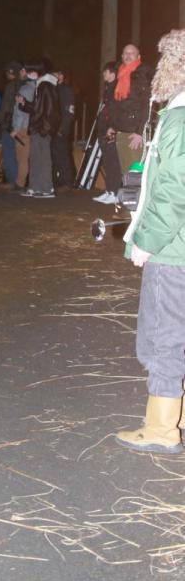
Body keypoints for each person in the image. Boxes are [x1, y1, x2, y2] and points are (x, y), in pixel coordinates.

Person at [116, 29, 185, 455]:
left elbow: (175, 188)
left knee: (163, 335)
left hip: (173, 248)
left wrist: (146, 239)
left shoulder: (180, 120)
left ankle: (161, 428)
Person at [107, 43, 153, 181]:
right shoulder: (120, 74)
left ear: (138, 56)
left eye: (131, 53)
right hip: (121, 130)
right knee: (125, 171)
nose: (128, 55)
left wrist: (140, 132)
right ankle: (129, 200)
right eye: (125, 53)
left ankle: (138, 201)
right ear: (121, 56)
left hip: (135, 132)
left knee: (136, 171)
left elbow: (148, 105)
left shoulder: (143, 73)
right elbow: (116, 104)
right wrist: (112, 125)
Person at [21, 62, 60, 198]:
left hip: (42, 127)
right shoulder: (42, 84)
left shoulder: (46, 86)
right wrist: (24, 104)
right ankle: (35, 187)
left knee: (42, 158)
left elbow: (48, 110)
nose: (28, 74)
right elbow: (39, 108)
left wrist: (44, 128)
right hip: (39, 127)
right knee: (36, 158)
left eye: (31, 71)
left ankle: (46, 188)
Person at [93, 60, 123, 204]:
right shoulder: (108, 88)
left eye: (106, 71)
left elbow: (116, 110)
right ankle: (109, 190)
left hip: (110, 129)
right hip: (104, 128)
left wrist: (112, 126)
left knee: (112, 160)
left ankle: (115, 192)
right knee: (107, 159)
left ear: (112, 73)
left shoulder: (116, 88)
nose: (103, 73)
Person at [0, 61, 22, 186]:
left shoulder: (11, 86)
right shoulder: (25, 84)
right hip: (21, 123)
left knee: (9, 151)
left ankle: (12, 179)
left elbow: (6, 106)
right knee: (19, 153)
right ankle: (19, 179)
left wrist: (3, 122)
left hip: (9, 123)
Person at [11, 65, 35, 190]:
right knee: (28, 156)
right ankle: (25, 181)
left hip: (23, 128)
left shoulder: (25, 89)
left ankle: (20, 183)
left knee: (22, 157)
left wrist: (16, 129)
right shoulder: (36, 88)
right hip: (31, 126)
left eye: (22, 71)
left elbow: (22, 112)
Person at [52, 68, 76, 188]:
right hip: (52, 129)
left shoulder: (66, 90)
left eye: (57, 73)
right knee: (54, 155)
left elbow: (69, 112)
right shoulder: (52, 89)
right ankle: (57, 180)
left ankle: (67, 182)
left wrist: (63, 129)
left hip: (61, 129)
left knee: (63, 155)